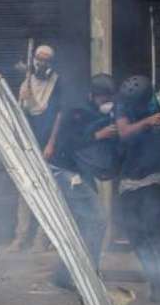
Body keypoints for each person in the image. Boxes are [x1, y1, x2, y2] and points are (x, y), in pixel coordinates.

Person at [49, 74, 119, 290]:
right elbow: (67, 143)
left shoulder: (100, 115)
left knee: (81, 225)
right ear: (93, 95)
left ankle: (64, 275)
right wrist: (99, 135)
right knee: (97, 219)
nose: (105, 102)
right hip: (67, 173)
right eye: (102, 98)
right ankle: (89, 272)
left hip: (81, 174)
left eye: (109, 98)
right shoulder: (78, 113)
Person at [114, 75, 160, 301]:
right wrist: (147, 122)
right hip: (129, 179)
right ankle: (156, 279)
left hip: (156, 175)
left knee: (151, 224)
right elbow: (123, 132)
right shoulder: (123, 106)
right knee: (135, 232)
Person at [7, 44, 62, 253]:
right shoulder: (26, 82)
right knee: (26, 190)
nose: (42, 62)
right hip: (28, 145)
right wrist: (24, 95)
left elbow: (59, 114)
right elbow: (21, 115)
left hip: (47, 146)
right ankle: (20, 238)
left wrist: (51, 144)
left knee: (48, 191)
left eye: (46, 59)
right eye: (39, 58)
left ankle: (42, 238)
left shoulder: (57, 83)